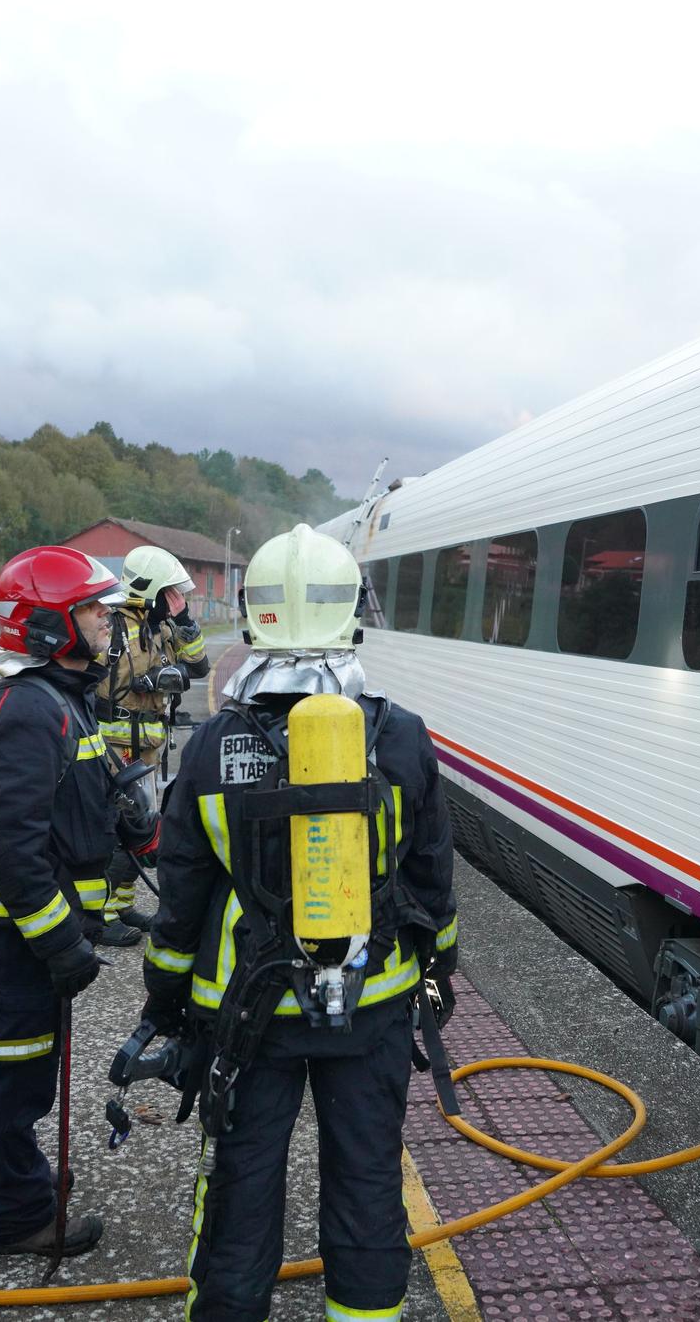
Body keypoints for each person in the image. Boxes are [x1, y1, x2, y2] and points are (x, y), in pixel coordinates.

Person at [139, 525, 458, 1321]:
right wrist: (436, 971)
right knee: (368, 1185)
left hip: (246, 1015)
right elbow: (432, 877)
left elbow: (180, 895)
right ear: (353, 617)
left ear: (253, 623)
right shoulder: (403, 737)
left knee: (241, 1190)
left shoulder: (213, 746)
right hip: (372, 1008)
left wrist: (164, 1002)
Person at [0, 545, 155, 1257]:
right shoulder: (32, 711)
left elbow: (77, 794)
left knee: (19, 1062)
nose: (107, 619)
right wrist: (60, 938)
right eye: (93, 608)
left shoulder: (58, 699)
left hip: (29, 932)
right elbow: (8, 846)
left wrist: (129, 808)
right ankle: (14, 1215)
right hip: (17, 935)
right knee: (19, 1073)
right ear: (48, 624)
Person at [96, 543, 213, 945]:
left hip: (148, 748)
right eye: (169, 594)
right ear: (148, 590)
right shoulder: (110, 626)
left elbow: (199, 666)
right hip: (112, 746)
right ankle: (101, 915)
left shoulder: (164, 628)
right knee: (114, 832)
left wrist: (185, 621)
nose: (173, 601)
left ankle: (121, 905)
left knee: (141, 830)